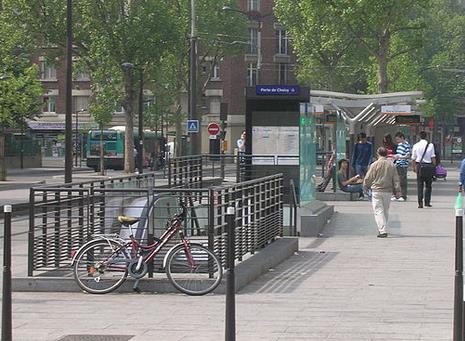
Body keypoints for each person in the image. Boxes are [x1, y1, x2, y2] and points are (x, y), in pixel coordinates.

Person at [363, 147, 401, 238]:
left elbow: (369, 177)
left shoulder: (374, 165)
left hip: (376, 190)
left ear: (378, 154)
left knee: (378, 211)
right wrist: (398, 190)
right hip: (388, 191)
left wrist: (365, 186)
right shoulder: (391, 165)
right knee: (385, 210)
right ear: (386, 154)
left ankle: (382, 230)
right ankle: (383, 228)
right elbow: (396, 179)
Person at [411, 131, 436, 208]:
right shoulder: (431, 145)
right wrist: (434, 167)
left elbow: (413, 158)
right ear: (426, 137)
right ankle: (427, 202)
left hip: (419, 166)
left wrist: (414, 167)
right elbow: (433, 157)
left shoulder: (415, 145)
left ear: (419, 137)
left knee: (420, 185)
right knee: (428, 185)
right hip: (428, 166)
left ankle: (420, 203)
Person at [393, 132, 411, 201]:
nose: (397, 141)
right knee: (396, 180)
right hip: (397, 164)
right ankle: (396, 195)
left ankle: (403, 195)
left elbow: (408, 156)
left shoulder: (407, 145)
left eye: (398, 139)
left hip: (403, 165)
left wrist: (400, 157)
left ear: (402, 138)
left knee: (402, 181)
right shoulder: (399, 145)